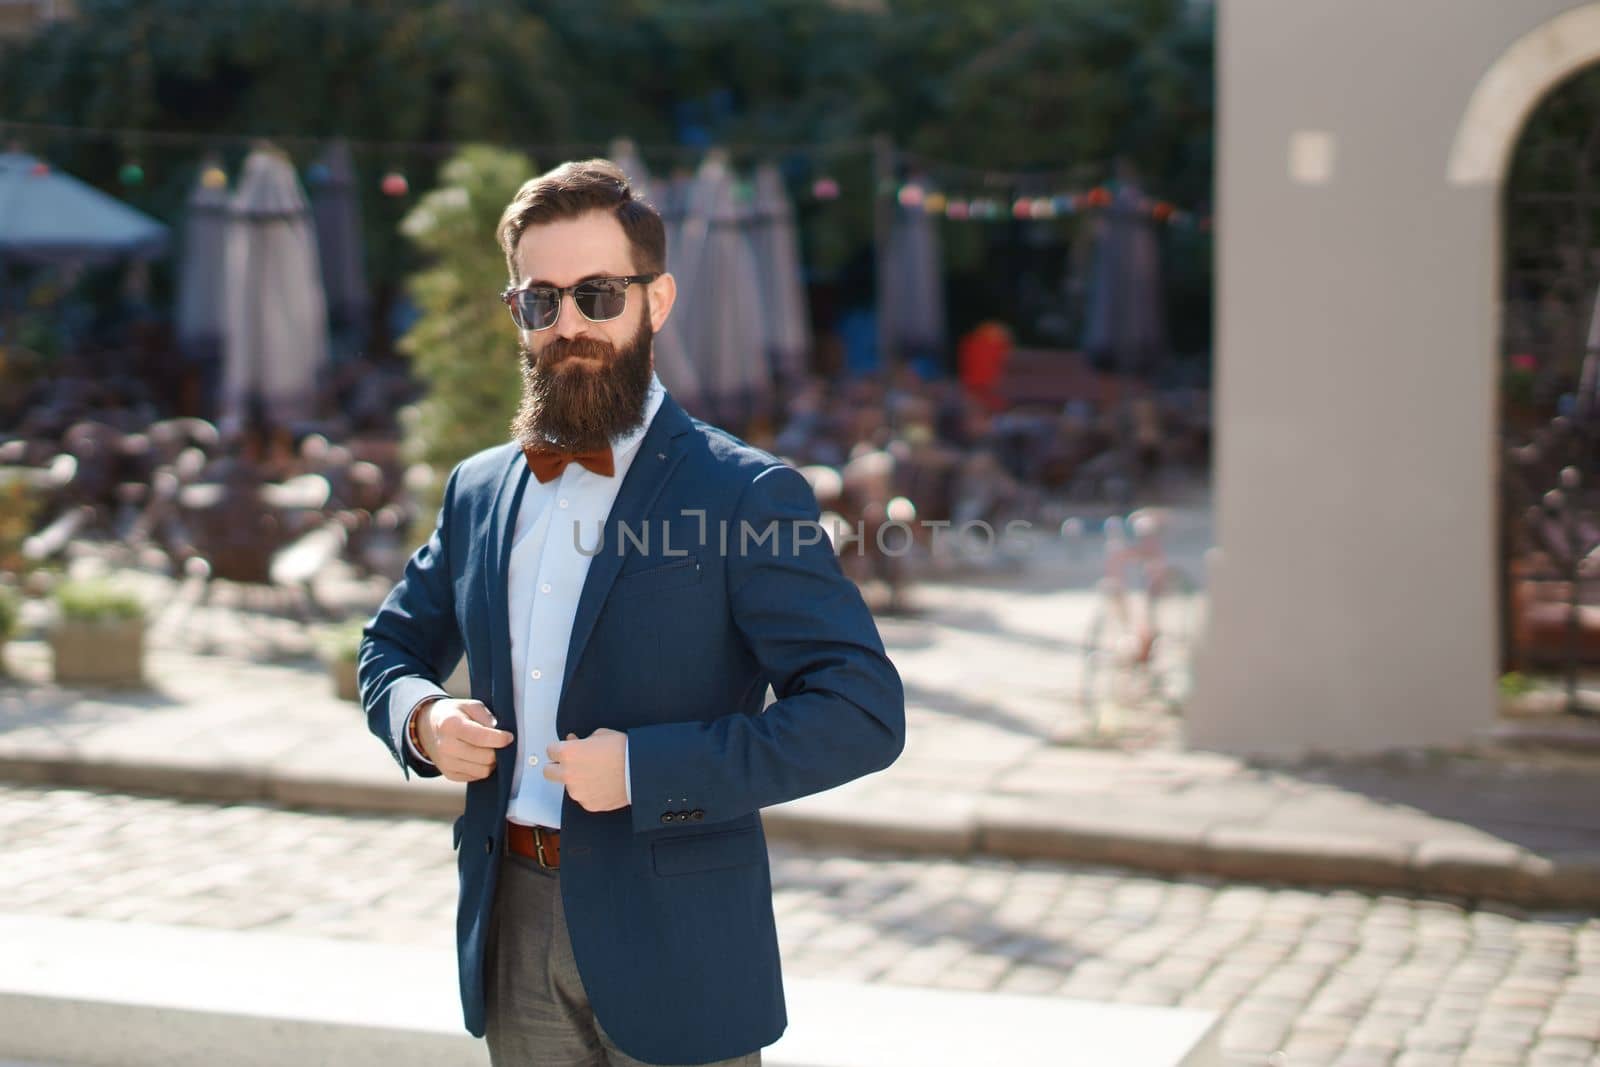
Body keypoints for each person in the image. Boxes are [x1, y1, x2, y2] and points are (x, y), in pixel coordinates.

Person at [359, 159, 905, 1067]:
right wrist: (420, 716)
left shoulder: (745, 492)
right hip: (511, 923)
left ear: (658, 302)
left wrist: (648, 770)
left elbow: (863, 714)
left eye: (598, 294)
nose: (568, 323)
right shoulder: (479, 488)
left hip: (679, 943)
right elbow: (389, 647)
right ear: (517, 314)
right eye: (542, 301)